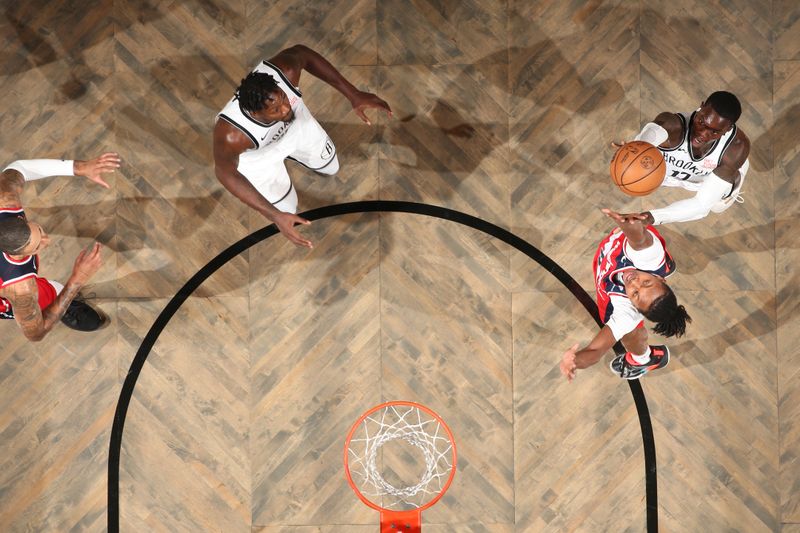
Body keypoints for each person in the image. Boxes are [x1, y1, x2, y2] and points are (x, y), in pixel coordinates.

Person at [213, 44, 392, 248]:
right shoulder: (232, 134)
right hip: (261, 160)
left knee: (331, 166)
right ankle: (280, 190)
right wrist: (274, 215)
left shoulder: (284, 72)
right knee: (288, 208)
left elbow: (303, 53)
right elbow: (224, 172)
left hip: (298, 129)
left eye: (283, 98)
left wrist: (353, 93)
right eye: (275, 109)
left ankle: (296, 154)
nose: (285, 108)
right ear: (256, 113)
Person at [560, 209, 692, 381]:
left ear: (635, 307)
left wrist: (574, 362)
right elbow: (640, 241)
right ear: (661, 279)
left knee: (630, 334)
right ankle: (664, 264)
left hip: (610, 289)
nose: (634, 282)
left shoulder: (626, 313)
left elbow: (596, 351)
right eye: (646, 282)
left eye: (635, 294)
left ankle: (643, 360)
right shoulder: (649, 259)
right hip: (637, 248)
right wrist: (629, 227)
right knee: (648, 248)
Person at [0, 153, 120, 341]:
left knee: (52, 290)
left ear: (15, 218)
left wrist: (79, 167)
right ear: (15, 254)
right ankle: (65, 304)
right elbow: (35, 333)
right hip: (9, 295)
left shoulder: (5, 201)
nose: (46, 240)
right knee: (47, 296)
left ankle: (64, 298)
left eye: (39, 231)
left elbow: (18, 168)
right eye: (38, 245)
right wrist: (77, 279)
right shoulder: (20, 289)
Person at [619, 91, 750, 225]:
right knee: (642, 173)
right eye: (701, 122)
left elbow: (701, 205)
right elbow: (649, 136)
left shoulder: (736, 148)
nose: (703, 135)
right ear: (701, 107)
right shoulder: (671, 125)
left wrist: (650, 218)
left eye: (715, 132)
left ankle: (734, 179)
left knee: (717, 207)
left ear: (728, 129)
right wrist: (634, 150)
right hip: (667, 174)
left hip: (706, 180)